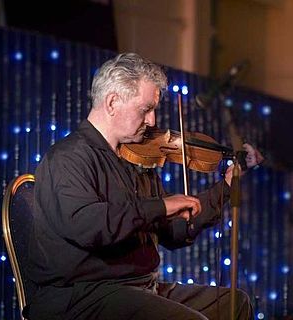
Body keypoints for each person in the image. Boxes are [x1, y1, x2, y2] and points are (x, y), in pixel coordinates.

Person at [26, 53, 261, 320]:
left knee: (235, 303)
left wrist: (226, 188)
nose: (152, 121)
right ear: (113, 102)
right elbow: (87, 226)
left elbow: (171, 231)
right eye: (145, 109)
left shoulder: (136, 158)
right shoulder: (69, 157)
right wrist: (161, 206)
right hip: (84, 296)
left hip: (140, 288)